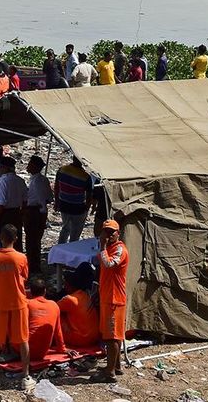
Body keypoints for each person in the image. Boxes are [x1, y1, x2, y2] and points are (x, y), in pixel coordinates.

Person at [0, 225, 33, 392]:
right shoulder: (21, 258)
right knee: (23, 339)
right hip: (18, 303)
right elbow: (25, 277)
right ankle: (26, 376)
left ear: (0, 238)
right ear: (16, 239)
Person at [93, 219, 129, 383]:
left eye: (111, 232)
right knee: (112, 335)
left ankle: (109, 372)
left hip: (115, 299)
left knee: (113, 336)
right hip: (108, 296)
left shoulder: (120, 250)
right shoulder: (109, 248)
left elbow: (108, 264)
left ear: (118, 233)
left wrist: (102, 246)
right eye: (106, 231)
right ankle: (116, 366)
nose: (108, 235)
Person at [59, 263, 101, 348]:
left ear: (68, 285)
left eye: (65, 284)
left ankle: (58, 343)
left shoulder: (69, 299)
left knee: (55, 315)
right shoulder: (85, 295)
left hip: (81, 339)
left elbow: (51, 308)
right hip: (95, 337)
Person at [54, 157, 93, 244]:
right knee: (75, 233)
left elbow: (56, 188)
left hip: (64, 205)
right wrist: (86, 209)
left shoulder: (62, 170)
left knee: (65, 228)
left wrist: (57, 202)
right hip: (78, 208)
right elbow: (89, 196)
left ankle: (61, 248)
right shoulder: (86, 176)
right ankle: (72, 250)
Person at [26, 277, 66, 361]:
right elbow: (58, 331)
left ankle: (6, 350)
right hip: (41, 352)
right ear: (45, 291)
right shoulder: (54, 305)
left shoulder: (27, 304)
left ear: (30, 291)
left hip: (24, 351)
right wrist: (62, 349)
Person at [24, 156, 51, 272]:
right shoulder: (41, 179)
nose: (27, 165)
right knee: (34, 241)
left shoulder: (37, 182)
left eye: (30, 163)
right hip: (35, 212)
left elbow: (42, 203)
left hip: (35, 213)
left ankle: (33, 266)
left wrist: (42, 219)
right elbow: (49, 197)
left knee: (32, 241)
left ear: (34, 166)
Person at [0, 156, 27, 251]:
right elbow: (25, 200)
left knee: (4, 240)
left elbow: (1, 202)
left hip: (5, 214)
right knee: (16, 239)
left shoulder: (4, 181)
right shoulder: (20, 180)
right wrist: (21, 213)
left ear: (5, 168)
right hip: (16, 213)